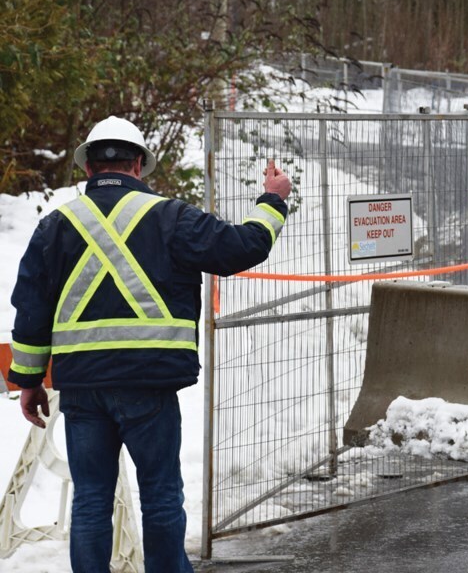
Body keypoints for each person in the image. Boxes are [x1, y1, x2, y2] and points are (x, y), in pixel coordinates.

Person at [6, 116, 292, 572]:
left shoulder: (55, 226)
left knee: (91, 500)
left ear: (88, 168)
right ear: (138, 165)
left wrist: (28, 380)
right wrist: (272, 200)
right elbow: (242, 247)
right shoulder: (171, 217)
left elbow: (31, 310)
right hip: (149, 386)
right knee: (160, 496)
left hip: (82, 390)